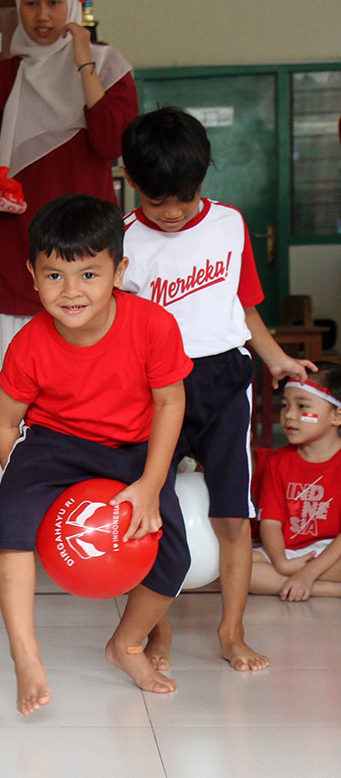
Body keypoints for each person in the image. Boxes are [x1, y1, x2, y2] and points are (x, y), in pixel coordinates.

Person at [119, 106, 315, 672]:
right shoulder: (125, 242)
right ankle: (156, 628)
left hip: (226, 382)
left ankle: (231, 633)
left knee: (233, 517)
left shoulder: (229, 223)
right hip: (157, 390)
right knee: (148, 511)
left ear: (204, 175)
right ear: (132, 182)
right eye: (159, 201)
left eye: (186, 195)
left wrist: (276, 359)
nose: (175, 212)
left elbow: (244, 302)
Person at [0, 0, 137, 559]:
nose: (42, 15)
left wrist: (84, 61)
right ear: (18, 6)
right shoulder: (0, 76)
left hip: (86, 243)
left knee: (84, 369)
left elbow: (111, 139)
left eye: (54, 1)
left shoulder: (111, 66)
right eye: (31, 2)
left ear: (74, 3)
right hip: (16, 240)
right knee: (7, 368)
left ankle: (82, 499)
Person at [0, 194, 192, 714]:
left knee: (174, 556)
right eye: (54, 275)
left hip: (133, 448)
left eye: (89, 274)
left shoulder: (152, 325)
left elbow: (171, 403)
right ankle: (25, 655)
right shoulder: (29, 344)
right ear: (32, 274)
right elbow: (6, 418)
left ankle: (124, 644)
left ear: (119, 271)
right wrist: (25, 491)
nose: (72, 291)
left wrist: (150, 485)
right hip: (56, 443)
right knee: (7, 525)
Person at [250, 363, 341, 599]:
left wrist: (309, 573)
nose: (289, 415)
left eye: (302, 406)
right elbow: (270, 523)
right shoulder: (277, 461)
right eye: (285, 406)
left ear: (337, 415)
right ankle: (330, 590)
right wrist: (281, 563)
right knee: (234, 564)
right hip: (290, 553)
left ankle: (303, 583)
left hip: (333, 552)